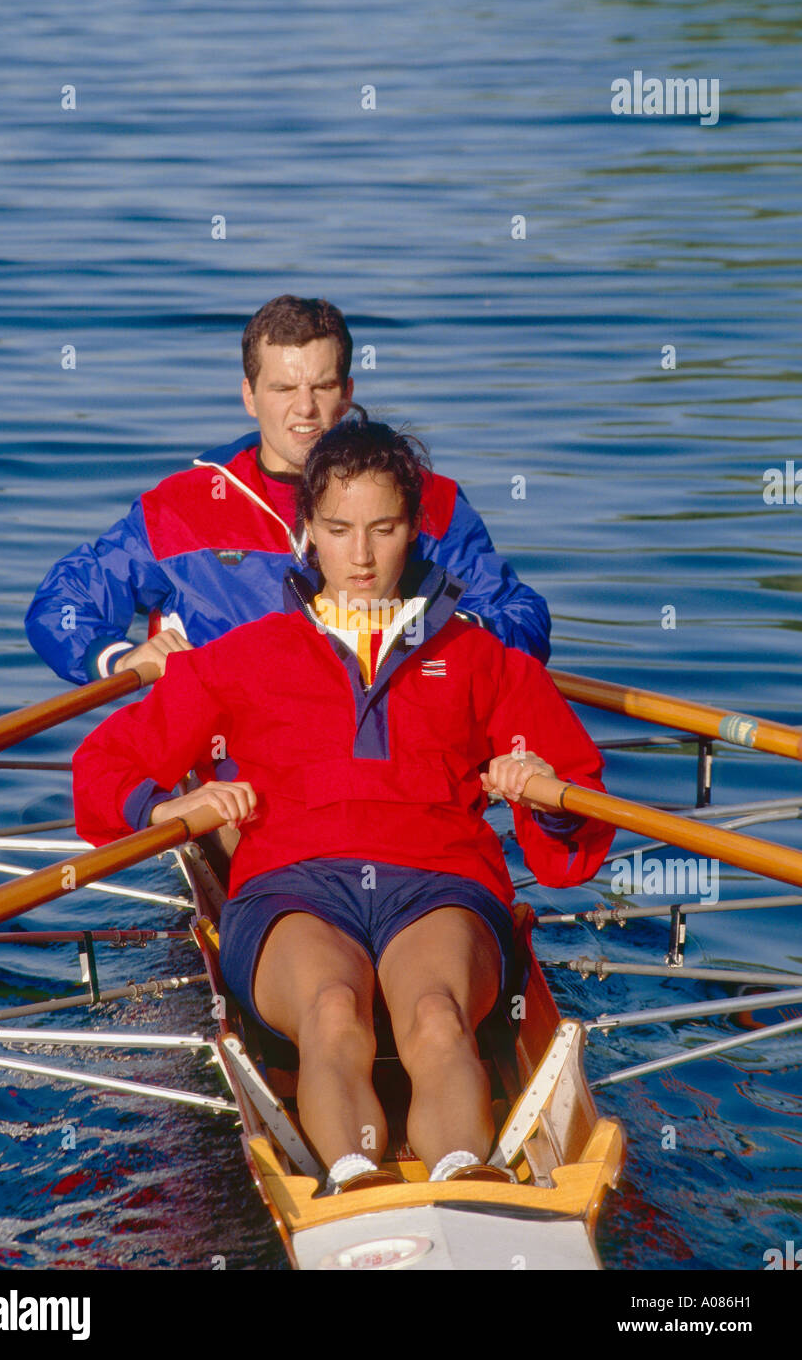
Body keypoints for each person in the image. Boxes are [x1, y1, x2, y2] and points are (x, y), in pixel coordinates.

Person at [73, 418, 613, 1193]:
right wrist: (163, 810)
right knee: (332, 1010)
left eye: (384, 529)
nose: (360, 556)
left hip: (437, 880)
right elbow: (105, 765)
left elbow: (577, 803)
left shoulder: (480, 659)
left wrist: (542, 791)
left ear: (414, 531)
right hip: (295, 885)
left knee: (433, 1013)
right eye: (338, 529)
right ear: (307, 534)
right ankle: (353, 1181)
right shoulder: (243, 657)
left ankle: (465, 1178)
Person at [26, 294, 551, 684]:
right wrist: (118, 658)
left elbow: (521, 619)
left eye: (322, 387)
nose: (304, 409)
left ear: (347, 394)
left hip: (386, 765)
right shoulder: (179, 510)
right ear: (249, 396)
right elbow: (61, 604)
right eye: (282, 389)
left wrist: (443, 633)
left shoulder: (429, 501)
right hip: (228, 774)